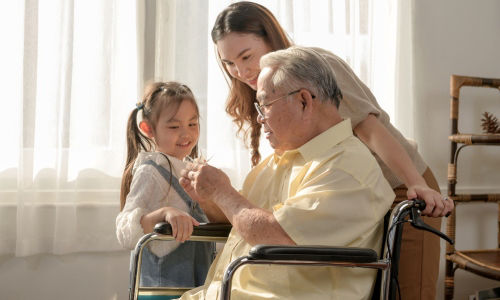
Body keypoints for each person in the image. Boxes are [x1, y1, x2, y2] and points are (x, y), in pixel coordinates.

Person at [209, 2, 453, 299]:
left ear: (270, 39)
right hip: (345, 192)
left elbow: (370, 129)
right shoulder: (268, 83)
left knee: (408, 293)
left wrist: (416, 183)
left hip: (400, 182)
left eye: (246, 56)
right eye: (229, 63)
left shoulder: (316, 67)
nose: (241, 70)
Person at [177, 46, 395, 300]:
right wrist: (208, 198)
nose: (259, 119)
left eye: (264, 105)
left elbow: (277, 237)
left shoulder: (347, 165)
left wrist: (221, 191)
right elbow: (240, 221)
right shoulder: (279, 161)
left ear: (304, 101)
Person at [116, 81, 214, 287]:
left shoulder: (192, 171)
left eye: (193, 124)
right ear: (148, 129)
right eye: (174, 126)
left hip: (198, 282)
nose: (186, 133)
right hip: (163, 285)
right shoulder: (150, 171)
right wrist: (164, 214)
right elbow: (125, 229)